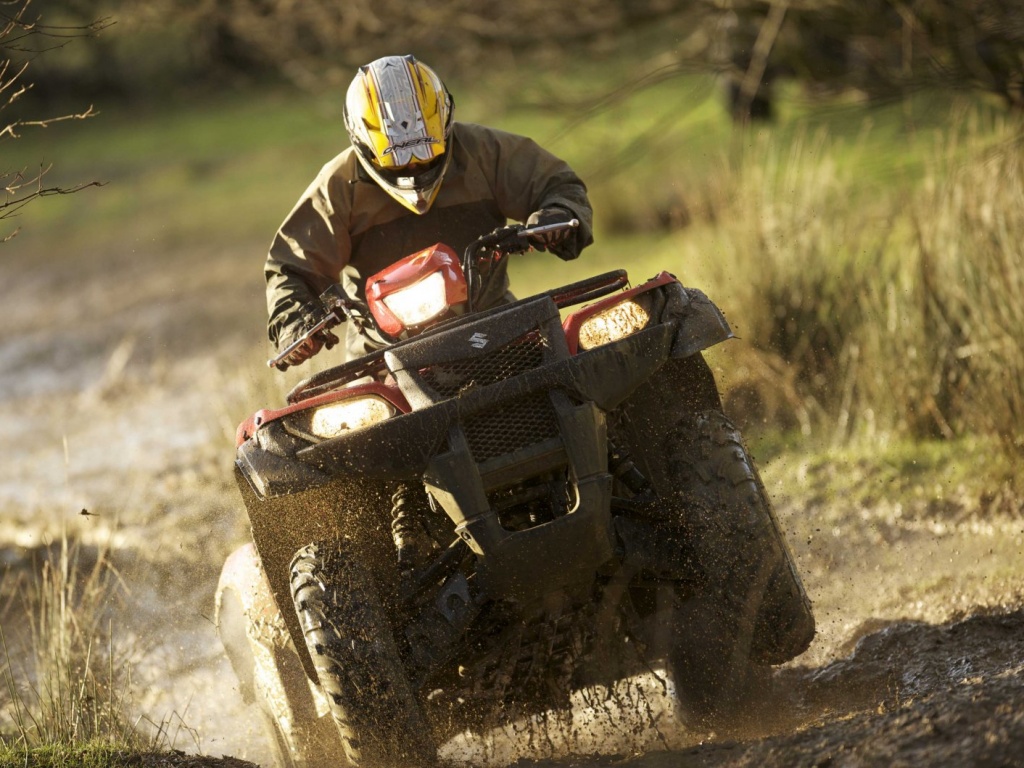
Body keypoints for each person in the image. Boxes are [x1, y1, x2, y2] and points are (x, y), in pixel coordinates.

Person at [265, 54, 594, 368]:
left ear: (445, 124)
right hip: (380, 354)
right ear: (362, 143)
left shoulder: (484, 151)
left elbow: (558, 184)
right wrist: (294, 319)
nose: (412, 170)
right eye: (397, 162)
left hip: (496, 323)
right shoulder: (337, 186)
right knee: (357, 411)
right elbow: (290, 266)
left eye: (426, 156)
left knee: (572, 372)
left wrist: (557, 216)